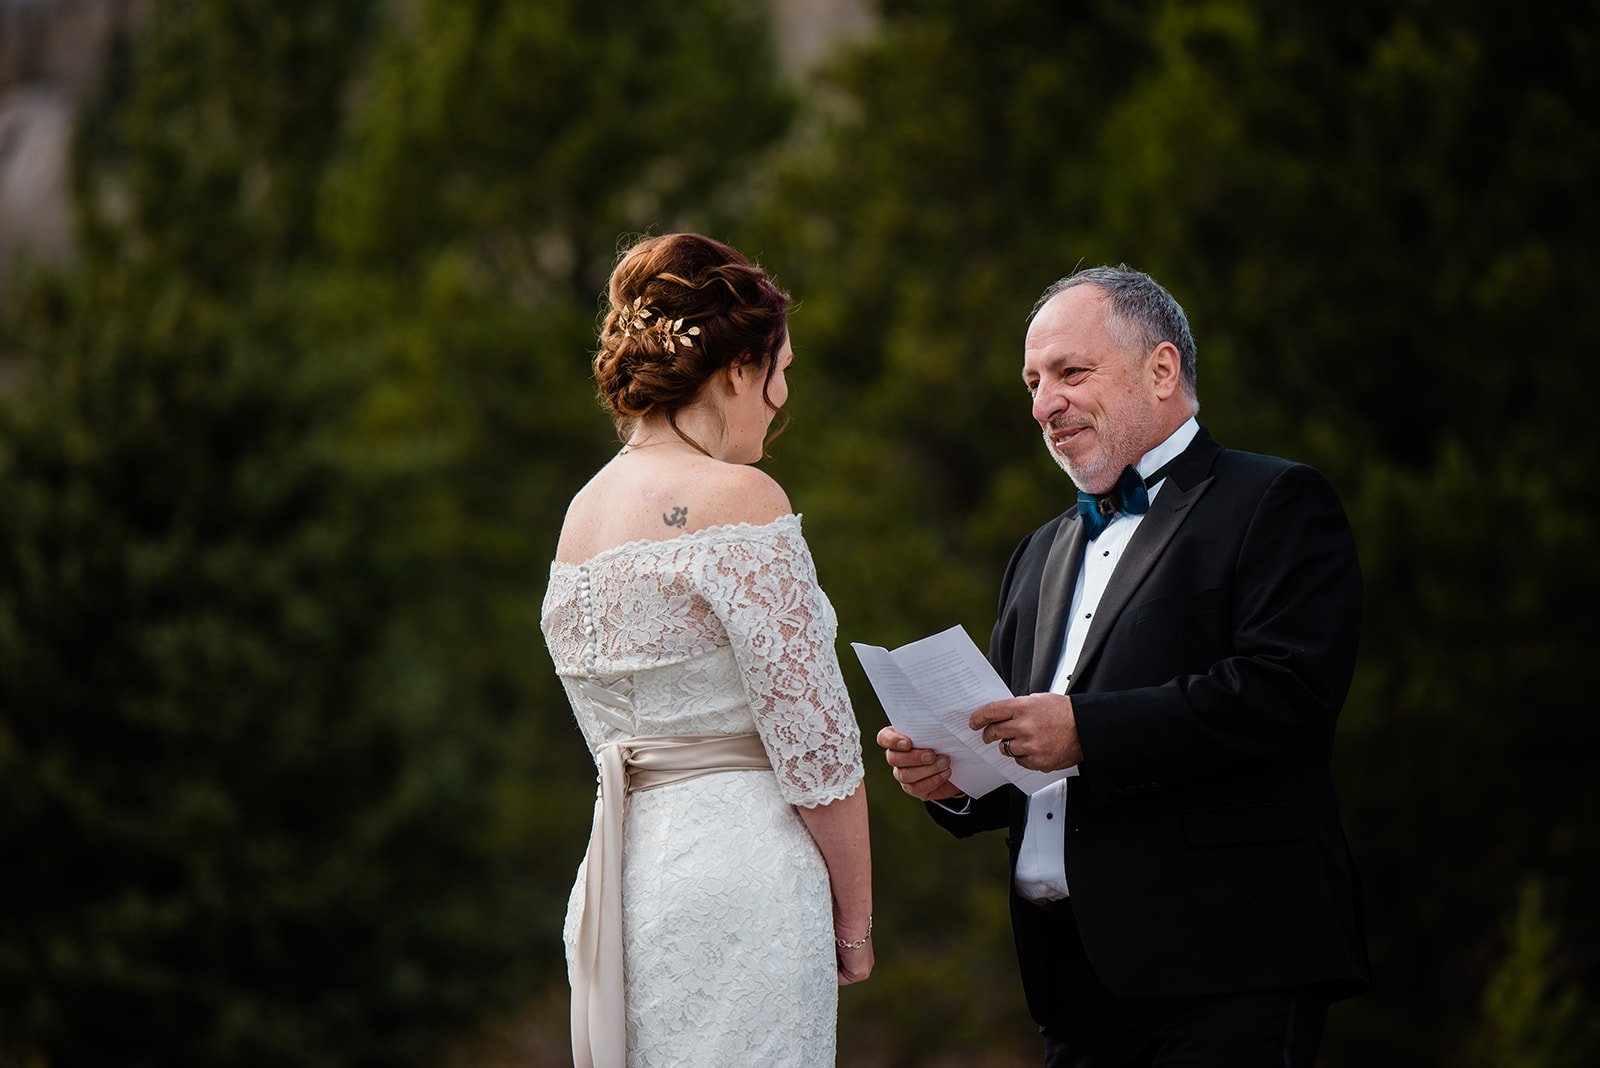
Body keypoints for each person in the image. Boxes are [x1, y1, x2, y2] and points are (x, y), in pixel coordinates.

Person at [877, 265, 1368, 1066]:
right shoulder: (1039, 552)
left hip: (1227, 962)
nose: (1044, 403)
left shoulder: (1275, 502)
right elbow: (1021, 754)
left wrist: (1084, 730)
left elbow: (1287, 693)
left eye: (1072, 372)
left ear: (1162, 370)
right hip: (1071, 983)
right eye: (1033, 382)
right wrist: (955, 779)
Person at [541, 233, 872, 1068]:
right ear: (734, 370)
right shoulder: (743, 499)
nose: (782, 398)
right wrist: (855, 921)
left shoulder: (580, 516)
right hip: (741, 875)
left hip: (619, 880)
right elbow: (819, 750)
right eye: (779, 371)